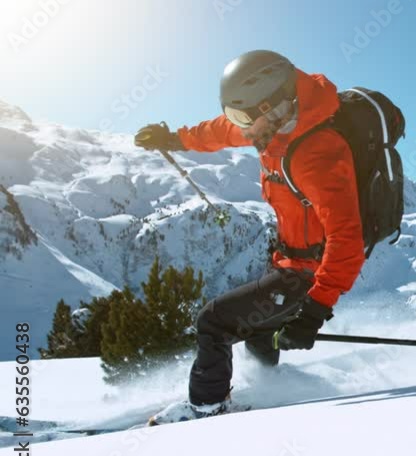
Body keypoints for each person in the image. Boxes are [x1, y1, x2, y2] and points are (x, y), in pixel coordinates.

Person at [134, 50, 365, 425]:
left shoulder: (315, 153)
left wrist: (315, 309)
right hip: (289, 262)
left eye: (243, 118)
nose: (239, 128)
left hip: (309, 274)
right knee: (260, 329)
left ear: (274, 107)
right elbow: (219, 131)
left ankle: (206, 410)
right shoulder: (270, 127)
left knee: (214, 321)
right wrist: (173, 139)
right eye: (234, 115)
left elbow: (347, 239)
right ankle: (269, 389)